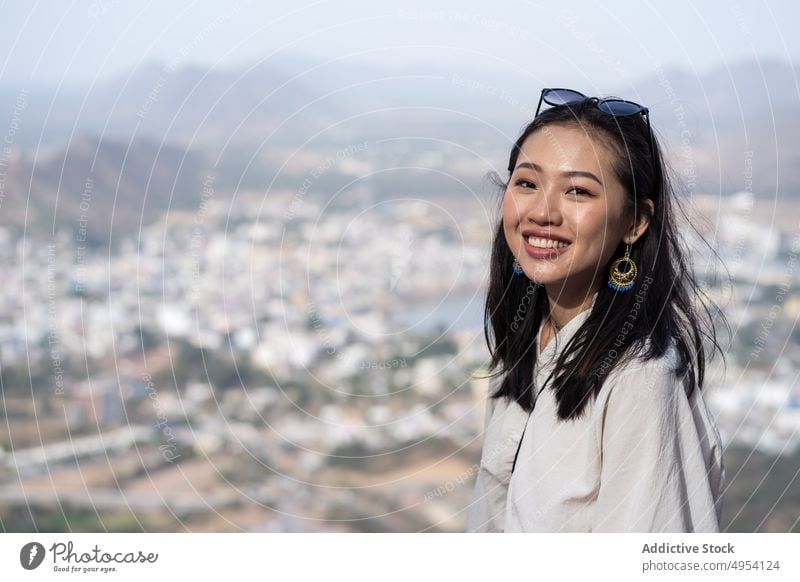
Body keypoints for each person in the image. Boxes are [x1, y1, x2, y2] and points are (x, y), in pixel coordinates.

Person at [465, 88, 727, 532]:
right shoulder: (524, 347)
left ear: (634, 222)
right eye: (527, 182)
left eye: (578, 191)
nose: (543, 211)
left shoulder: (638, 379)